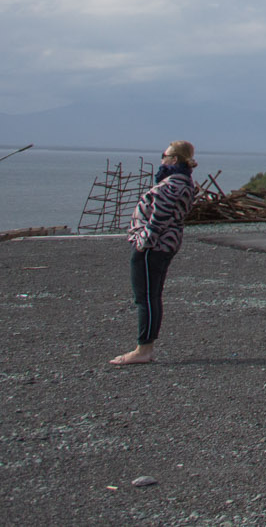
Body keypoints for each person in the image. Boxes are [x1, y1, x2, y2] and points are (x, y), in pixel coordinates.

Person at [111, 141, 199, 365]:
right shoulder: (185, 183)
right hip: (164, 244)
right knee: (152, 295)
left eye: (165, 155)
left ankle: (144, 348)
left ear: (174, 159)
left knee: (146, 297)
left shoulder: (172, 185)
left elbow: (159, 217)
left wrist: (143, 242)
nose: (162, 159)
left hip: (155, 246)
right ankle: (145, 346)